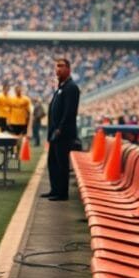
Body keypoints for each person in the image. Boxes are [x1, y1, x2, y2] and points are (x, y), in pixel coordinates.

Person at [41, 58, 80, 202]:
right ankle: (54, 189)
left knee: (62, 164)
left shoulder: (71, 87)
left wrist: (60, 129)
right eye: (56, 66)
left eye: (61, 66)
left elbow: (69, 112)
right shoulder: (61, 87)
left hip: (62, 134)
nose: (58, 69)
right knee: (53, 163)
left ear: (68, 69)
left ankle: (62, 193)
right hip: (54, 133)